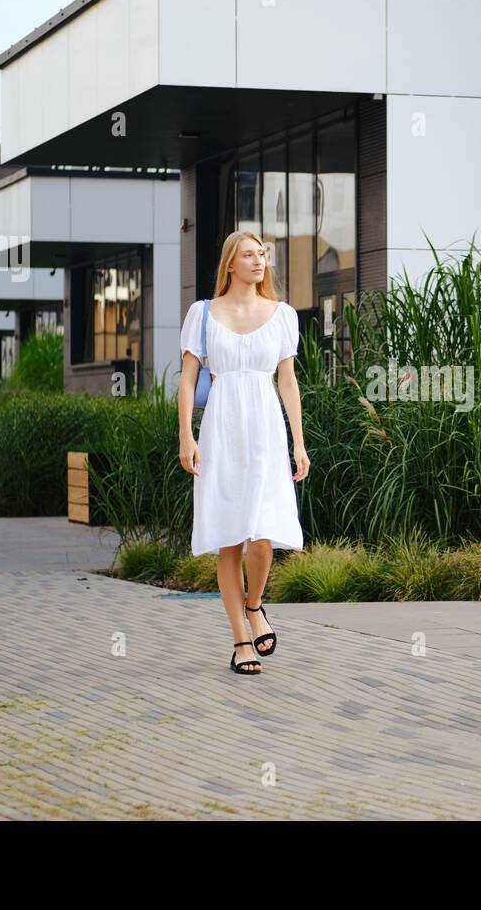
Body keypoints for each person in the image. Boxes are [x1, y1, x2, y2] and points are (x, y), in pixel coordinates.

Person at [177, 229, 309, 676]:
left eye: (263, 255)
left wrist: (299, 442)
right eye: (249, 255)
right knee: (229, 537)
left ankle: (256, 605)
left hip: (267, 431)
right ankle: (240, 640)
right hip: (222, 429)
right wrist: (186, 436)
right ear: (229, 264)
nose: (259, 261)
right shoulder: (203, 315)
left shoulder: (283, 315)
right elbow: (188, 380)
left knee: (262, 533)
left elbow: (287, 382)